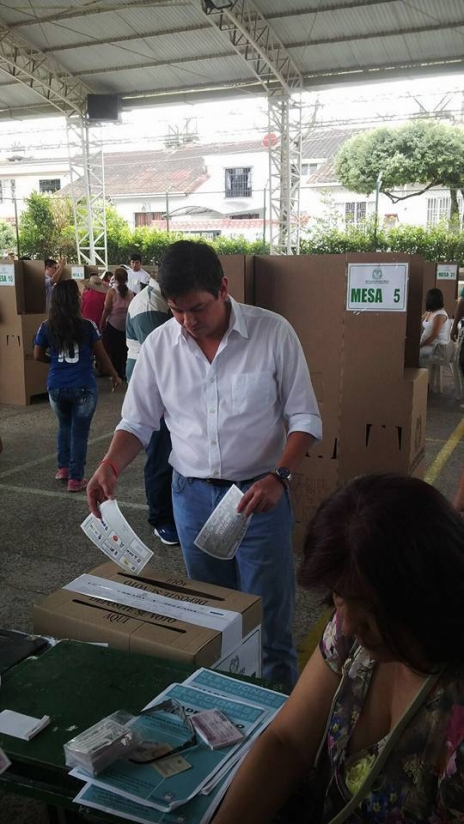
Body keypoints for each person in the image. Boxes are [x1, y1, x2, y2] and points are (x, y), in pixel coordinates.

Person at [86, 240, 321, 690]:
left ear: (223, 288)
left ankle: (279, 719)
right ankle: (228, 707)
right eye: (177, 310)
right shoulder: (160, 346)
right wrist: (110, 466)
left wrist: (281, 476)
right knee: (214, 618)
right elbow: (137, 422)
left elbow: (305, 418)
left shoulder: (272, 333)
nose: (188, 322)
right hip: (191, 497)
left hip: (258, 496)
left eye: (197, 308)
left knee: (269, 620)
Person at [213, 473, 464, 824]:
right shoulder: (352, 632)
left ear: (424, 597)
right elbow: (287, 741)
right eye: (338, 597)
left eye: (370, 609)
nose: (347, 626)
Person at [34, 280, 122, 492]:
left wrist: (55, 363)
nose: (82, 297)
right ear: (74, 300)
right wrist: (114, 374)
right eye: (78, 295)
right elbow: (102, 355)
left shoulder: (46, 326)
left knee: (64, 426)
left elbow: (37, 355)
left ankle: (63, 468)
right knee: (80, 432)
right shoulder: (87, 326)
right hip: (83, 385)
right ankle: (76, 477)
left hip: (56, 385)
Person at [126, 269, 179, 546]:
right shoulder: (149, 307)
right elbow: (164, 357)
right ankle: (161, 519)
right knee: (160, 452)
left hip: (169, 383)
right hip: (154, 385)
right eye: (180, 310)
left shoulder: (160, 299)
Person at [100, 266, 134, 380]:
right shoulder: (130, 293)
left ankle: (115, 373)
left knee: (113, 350)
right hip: (126, 325)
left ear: (115, 278)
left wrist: (102, 321)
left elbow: (107, 309)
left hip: (113, 324)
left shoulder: (112, 292)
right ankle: (123, 372)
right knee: (124, 350)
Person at [419, 287, 449, 368]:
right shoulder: (430, 312)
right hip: (427, 345)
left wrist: (420, 345)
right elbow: (419, 321)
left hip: (436, 349)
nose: (425, 299)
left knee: (414, 354)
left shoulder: (440, 315)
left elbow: (433, 335)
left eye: (427, 297)